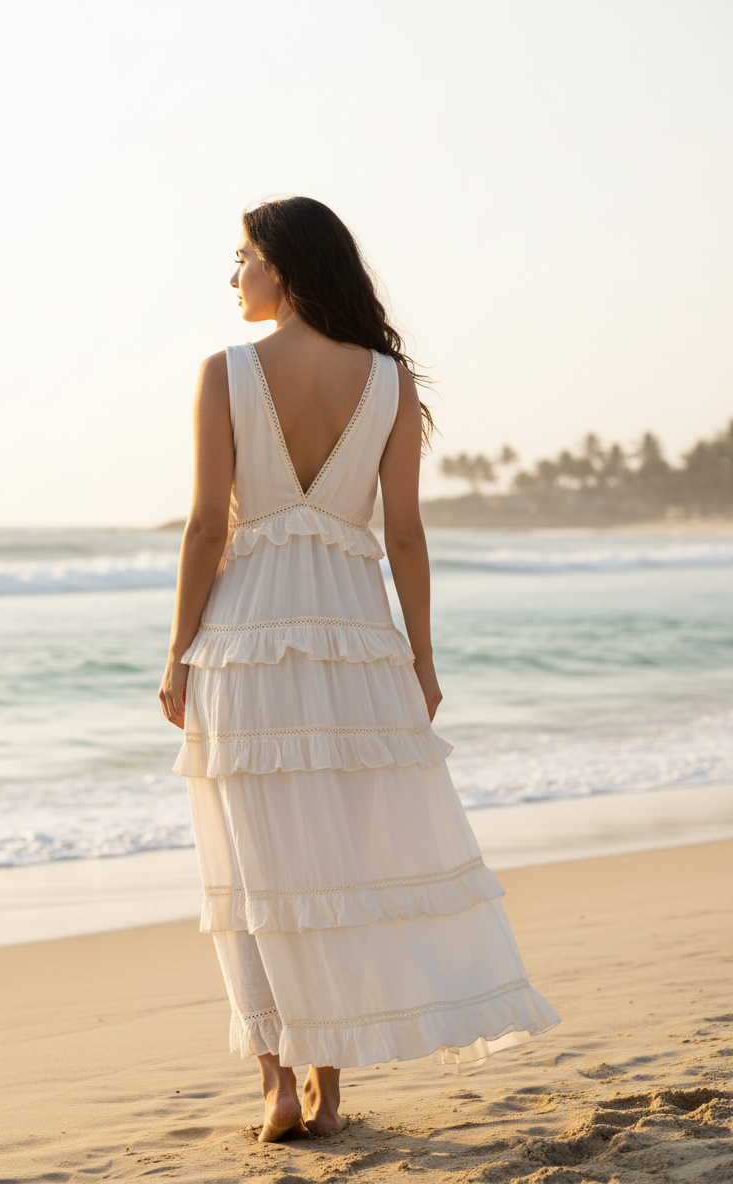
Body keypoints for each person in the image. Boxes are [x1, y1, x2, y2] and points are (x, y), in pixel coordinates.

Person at [160, 196, 559, 1142]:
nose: (234, 276)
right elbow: (407, 538)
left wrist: (178, 651)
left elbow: (209, 528)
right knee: (327, 862)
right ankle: (327, 1090)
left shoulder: (225, 371)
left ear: (285, 268)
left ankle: (273, 1086)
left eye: (245, 257)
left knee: (256, 871)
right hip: (355, 645)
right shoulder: (388, 381)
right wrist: (421, 660)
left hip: (248, 641)